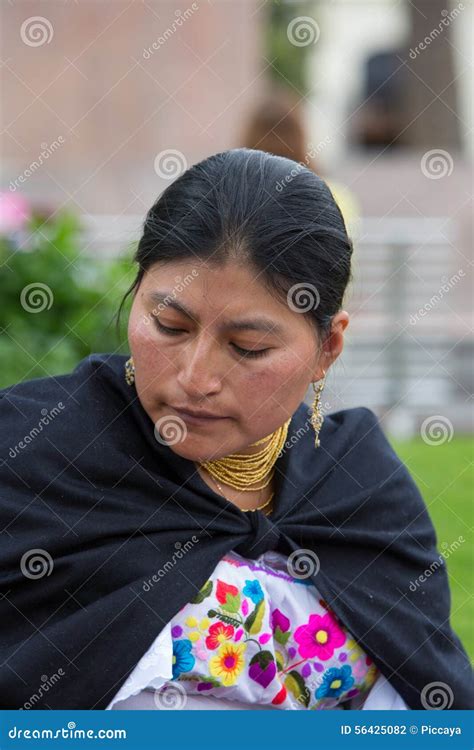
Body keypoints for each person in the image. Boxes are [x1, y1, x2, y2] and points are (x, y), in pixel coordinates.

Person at [0, 149, 472, 711]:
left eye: (248, 348)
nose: (195, 378)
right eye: (169, 325)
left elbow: (436, 711)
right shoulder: (34, 451)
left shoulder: (361, 489)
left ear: (328, 348)